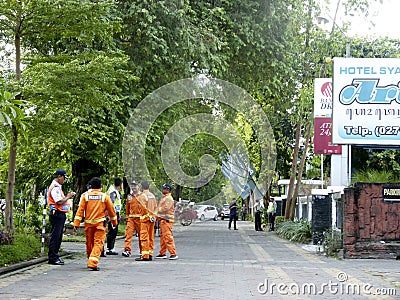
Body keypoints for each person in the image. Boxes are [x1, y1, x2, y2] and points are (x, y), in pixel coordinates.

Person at [73, 177, 117, 271]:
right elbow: (111, 211)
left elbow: (80, 211)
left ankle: (90, 258)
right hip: (100, 224)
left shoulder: (86, 196)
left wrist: (76, 224)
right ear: (101, 186)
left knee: (89, 243)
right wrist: (114, 222)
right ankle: (93, 263)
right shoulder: (104, 196)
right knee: (98, 243)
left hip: (88, 225)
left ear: (91, 186)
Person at [47, 169, 76, 265]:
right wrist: (68, 197)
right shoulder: (55, 187)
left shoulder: (58, 187)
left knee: (58, 236)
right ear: (59, 176)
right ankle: (53, 257)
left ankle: (55, 256)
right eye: (64, 177)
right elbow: (58, 201)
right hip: (57, 214)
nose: (64, 180)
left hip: (59, 214)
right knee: (56, 236)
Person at [135, 181, 157, 261]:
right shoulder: (152, 196)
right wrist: (153, 217)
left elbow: (143, 208)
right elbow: (155, 207)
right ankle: (150, 254)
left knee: (144, 237)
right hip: (152, 220)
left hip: (145, 220)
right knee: (151, 237)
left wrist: (148, 216)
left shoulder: (142, 196)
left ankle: (145, 255)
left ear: (141, 187)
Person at [155, 183, 178, 260]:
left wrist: (156, 211)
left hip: (167, 220)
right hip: (163, 220)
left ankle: (173, 253)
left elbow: (165, 208)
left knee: (168, 237)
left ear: (168, 190)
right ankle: (162, 253)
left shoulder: (168, 198)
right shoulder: (164, 198)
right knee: (163, 237)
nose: (163, 190)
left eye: (164, 189)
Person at [122, 181, 142, 257]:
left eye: (135, 186)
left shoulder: (142, 196)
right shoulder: (129, 196)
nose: (133, 187)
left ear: (138, 186)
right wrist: (127, 218)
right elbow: (127, 208)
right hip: (131, 218)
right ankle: (127, 250)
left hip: (140, 218)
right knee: (128, 234)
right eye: (132, 186)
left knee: (141, 235)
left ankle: (142, 250)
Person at [105, 178, 123, 255]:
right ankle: (110, 248)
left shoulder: (114, 191)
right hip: (113, 214)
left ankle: (111, 248)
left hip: (115, 213)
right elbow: (111, 203)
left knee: (113, 231)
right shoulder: (113, 192)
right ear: (120, 184)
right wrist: (109, 215)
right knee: (112, 231)